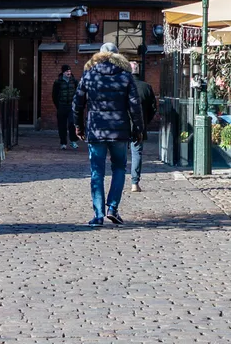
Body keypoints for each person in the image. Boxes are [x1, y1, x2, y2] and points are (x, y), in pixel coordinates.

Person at [73, 42, 143, 226]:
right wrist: (138, 129)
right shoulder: (126, 76)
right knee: (119, 168)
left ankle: (98, 215)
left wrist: (78, 126)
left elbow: (77, 103)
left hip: (96, 130)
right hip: (119, 130)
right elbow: (135, 106)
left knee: (96, 172)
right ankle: (113, 207)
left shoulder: (89, 75)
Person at [128, 60, 158, 193]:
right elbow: (153, 108)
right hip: (139, 125)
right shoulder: (146, 87)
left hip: (121, 125)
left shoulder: (122, 86)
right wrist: (146, 120)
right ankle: (135, 182)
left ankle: (118, 179)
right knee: (136, 152)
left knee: (120, 153)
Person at [51, 65, 78, 150]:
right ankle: (63, 143)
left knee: (72, 123)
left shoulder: (74, 81)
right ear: (63, 72)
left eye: (69, 71)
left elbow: (78, 93)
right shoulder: (58, 82)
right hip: (62, 106)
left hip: (71, 106)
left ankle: (73, 141)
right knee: (62, 125)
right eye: (67, 71)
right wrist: (58, 106)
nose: (69, 73)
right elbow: (54, 95)